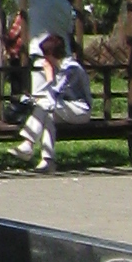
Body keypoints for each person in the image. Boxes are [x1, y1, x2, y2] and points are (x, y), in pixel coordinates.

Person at [15, 32, 93, 173]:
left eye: (45, 55)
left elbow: (53, 95)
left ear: (51, 55)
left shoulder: (71, 69)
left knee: (45, 105)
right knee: (48, 117)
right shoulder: (60, 68)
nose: (44, 59)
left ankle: (28, 143)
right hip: (65, 108)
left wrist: (49, 77)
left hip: (81, 110)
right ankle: (47, 161)